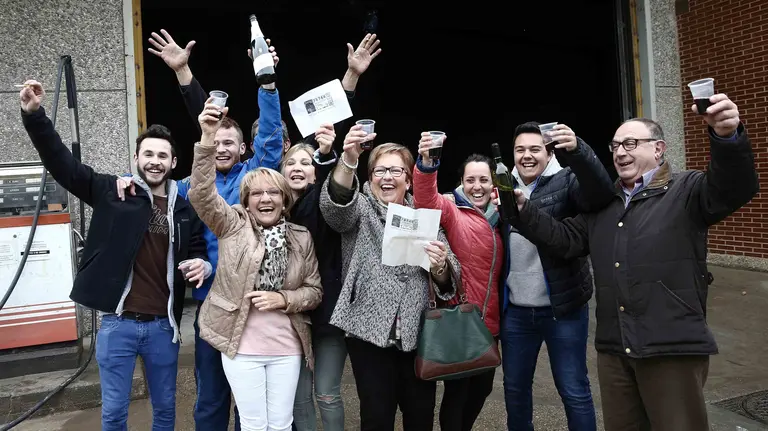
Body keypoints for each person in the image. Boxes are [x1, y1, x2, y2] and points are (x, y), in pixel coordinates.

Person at [509, 95, 757, 431]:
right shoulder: (606, 205)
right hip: (615, 349)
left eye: (630, 143)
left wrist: (727, 138)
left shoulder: (686, 190)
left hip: (670, 345)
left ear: (658, 149)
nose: (620, 152)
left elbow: (734, 187)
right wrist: (524, 212)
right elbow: (565, 240)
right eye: (614, 146)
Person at [19, 80, 211, 431]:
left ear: (173, 162)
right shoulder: (113, 191)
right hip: (117, 324)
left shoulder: (185, 209)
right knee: (113, 414)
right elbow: (64, 166)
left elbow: (197, 249)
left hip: (162, 328)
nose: (155, 162)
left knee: (165, 412)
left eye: (162, 156)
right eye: (148, 154)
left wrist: (203, 263)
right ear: (137, 158)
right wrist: (35, 117)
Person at [145, 28, 284, 431]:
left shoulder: (255, 179)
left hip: (257, 305)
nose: (222, 147)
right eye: (216, 142)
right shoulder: (191, 186)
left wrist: (268, 83)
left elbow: (272, 137)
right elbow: (153, 182)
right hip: (212, 305)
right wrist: (126, 181)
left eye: (231, 142)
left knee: (249, 401)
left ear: (244, 149)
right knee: (209, 398)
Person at [188, 101, 323, 431]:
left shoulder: (300, 236)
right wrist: (207, 139)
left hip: (287, 347)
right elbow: (202, 195)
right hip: (241, 346)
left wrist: (284, 299)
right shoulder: (232, 224)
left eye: (273, 193)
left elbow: (314, 291)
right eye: (257, 194)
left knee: (280, 424)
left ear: (284, 198)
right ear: (246, 201)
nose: (266, 199)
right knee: (252, 424)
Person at [319, 126, 459, 431]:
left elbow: (451, 275)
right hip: (367, 333)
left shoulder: (424, 215)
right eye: (380, 170)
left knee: (420, 417)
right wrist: (349, 159)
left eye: (396, 170)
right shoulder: (361, 209)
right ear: (370, 178)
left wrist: (439, 266)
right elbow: (335, 208)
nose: (387, 177)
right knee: (376, 417)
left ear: (409, 180)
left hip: (417, 335)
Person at [286, 32, 382, 431]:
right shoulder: (268, 206)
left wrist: (351, 79)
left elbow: (329, 143)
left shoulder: (323, 201)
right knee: (297, 397)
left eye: (306, 163)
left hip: (326, 314)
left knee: (326, 393)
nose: (298, 167)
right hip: (287, 315)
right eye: (291, 161)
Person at [499, 122, 615, 431]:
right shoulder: (501, 184)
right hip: (516, 312)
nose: (527, 156)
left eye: (535, 149)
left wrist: (579, 151)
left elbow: (601, 193)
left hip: (563, 309)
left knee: (574, 389)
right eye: (520, 149)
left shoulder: (567, 181)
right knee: (515, 389)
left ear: (549, 151)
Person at [412, 135, 503, 431]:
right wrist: (428, 164)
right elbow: (426, 199)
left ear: (494, 184)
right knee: (458, 395)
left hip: (489, 324)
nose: (477, 186)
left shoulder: (503, 217)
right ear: (461, 183)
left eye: (484, 180)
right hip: (461, 321)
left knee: (482, 390)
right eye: (470, 180)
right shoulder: (453, 212)